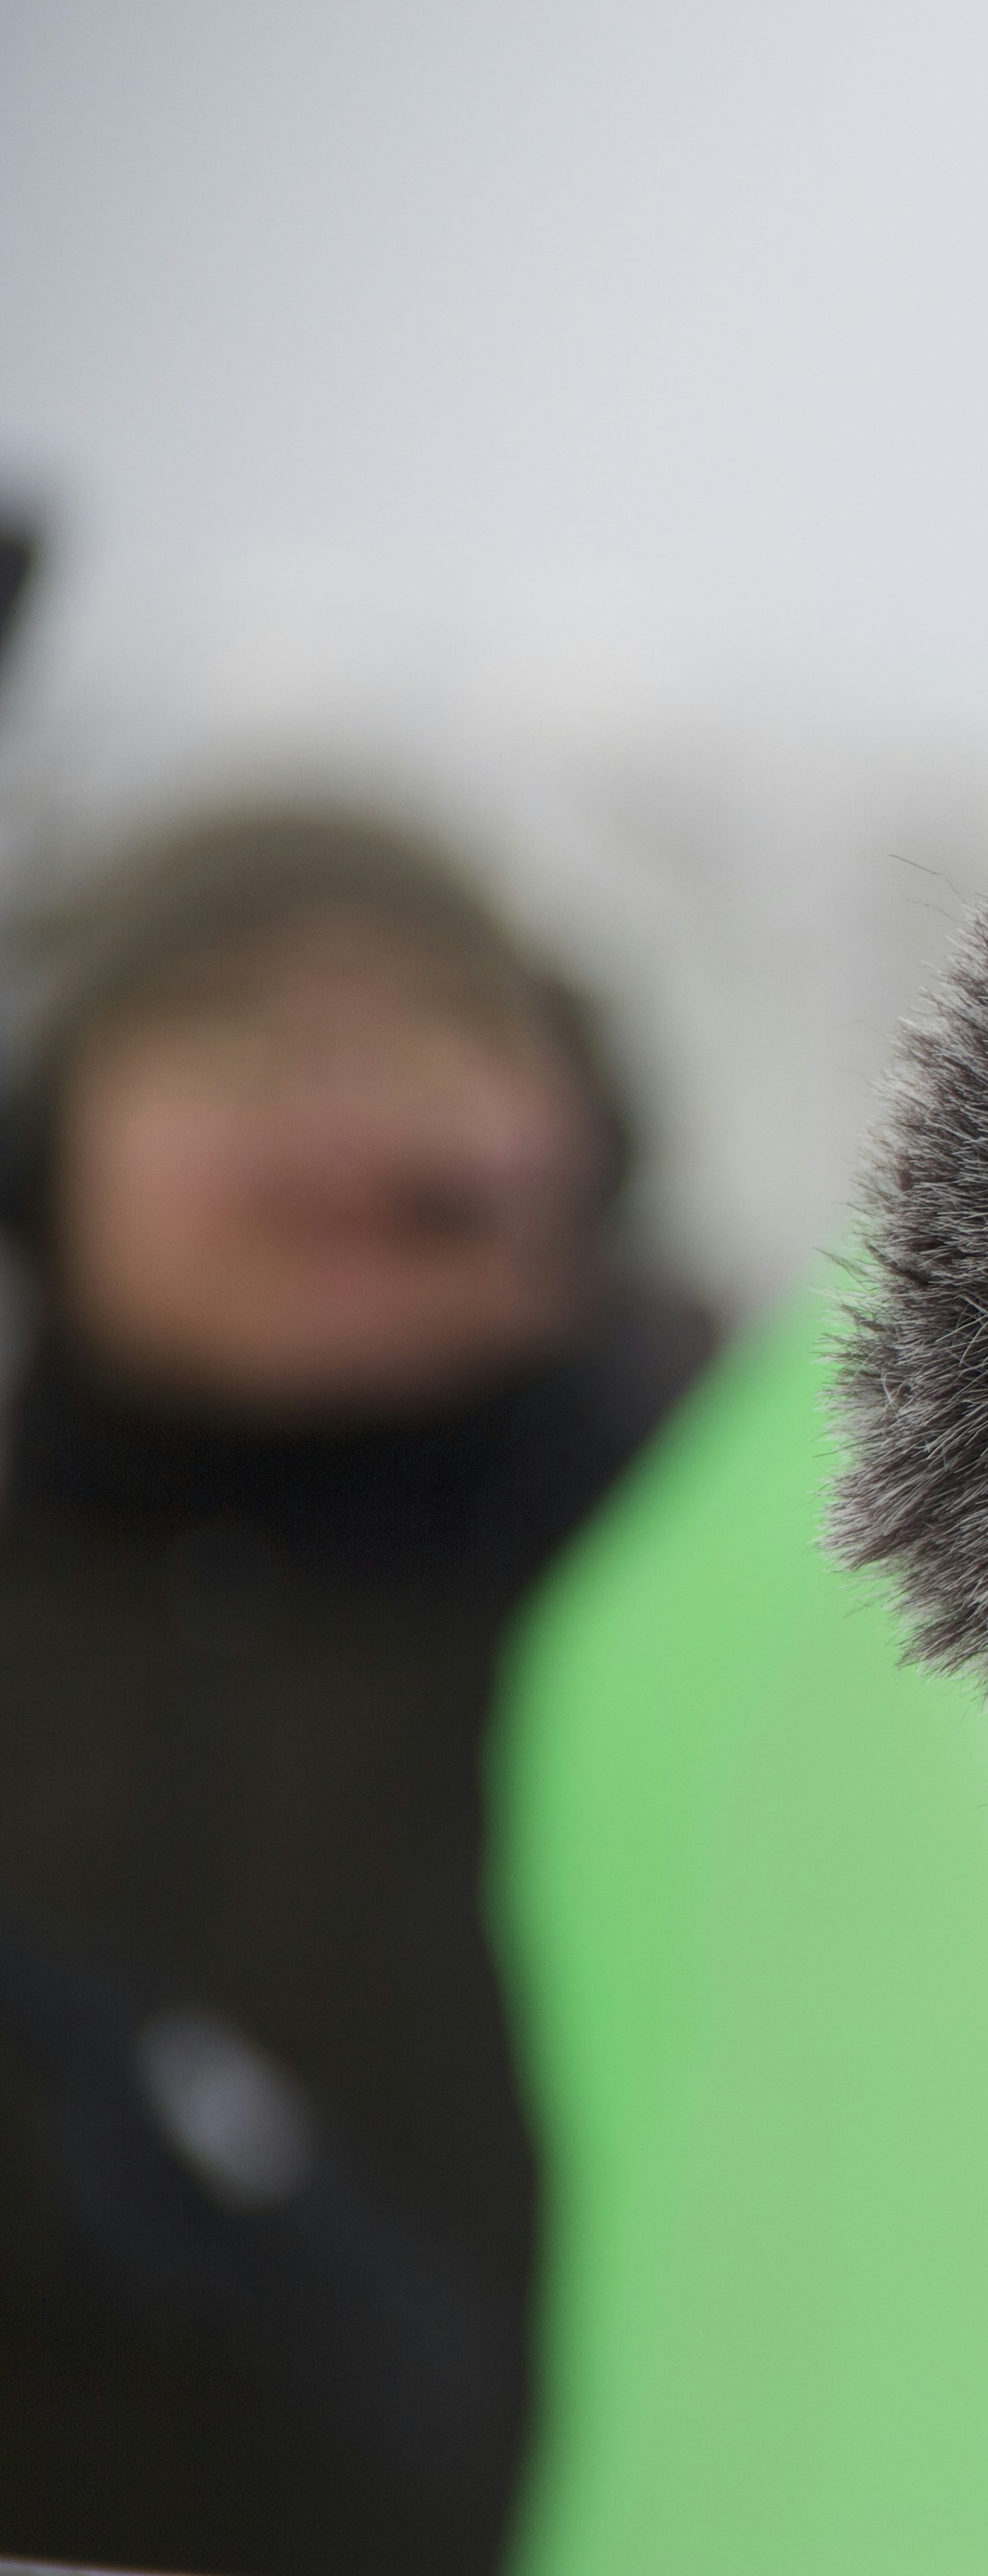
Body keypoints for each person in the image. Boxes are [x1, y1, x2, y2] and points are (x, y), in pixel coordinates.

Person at [0, 803, 714, 2574]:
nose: (339, 1125)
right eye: (238, 1045)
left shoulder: (784, 1636)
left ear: (582, 1148)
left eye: (428, 1040)